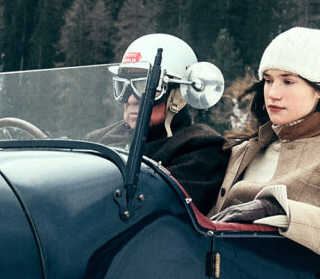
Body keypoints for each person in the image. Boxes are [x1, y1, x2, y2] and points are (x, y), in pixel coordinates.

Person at [208, 27, 320, 268]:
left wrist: (277, 210)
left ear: (319, 89)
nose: (273, 93)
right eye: (268, 80)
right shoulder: (244, 151)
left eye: (288, 81)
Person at [93, 33, 231, 214]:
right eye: (124, 87)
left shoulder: (201, 149)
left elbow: (156, 210)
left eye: (145, 87)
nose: (132, 99)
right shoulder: (99, 138)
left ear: (179, 94)